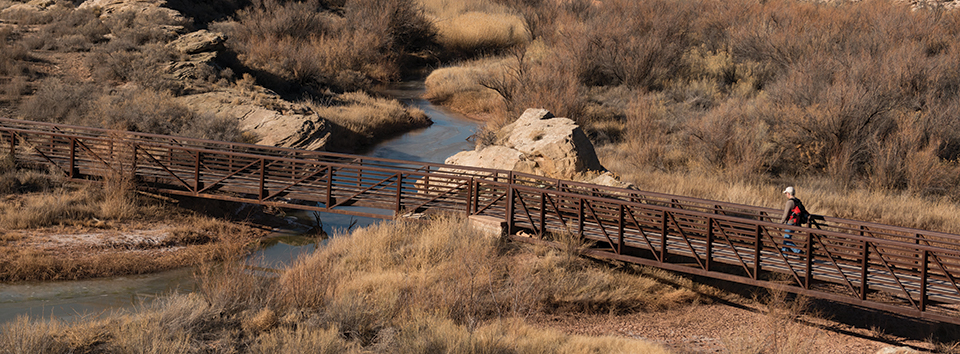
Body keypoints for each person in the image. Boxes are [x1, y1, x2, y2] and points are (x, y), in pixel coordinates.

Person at [780, 186, 803, 253]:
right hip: (796, 222)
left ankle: (799, 252)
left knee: (786, 239)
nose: (786, 194)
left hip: (790, 222)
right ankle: (785, 254)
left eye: (786, 193)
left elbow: (785, 214)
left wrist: (781, 222)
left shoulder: (789, 202)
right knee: (786, 238)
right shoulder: (796, 200)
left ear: (789, 193)